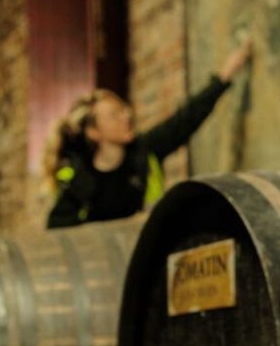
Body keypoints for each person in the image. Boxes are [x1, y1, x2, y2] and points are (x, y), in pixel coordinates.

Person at [45, 40, 252, 229]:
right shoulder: (78, 178)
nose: (126, 116)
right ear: (94, 132)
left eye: (124, 110)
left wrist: (226, 74)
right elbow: (59, 232)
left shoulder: (144, 150)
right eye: (114, 115)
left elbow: (186, 119)